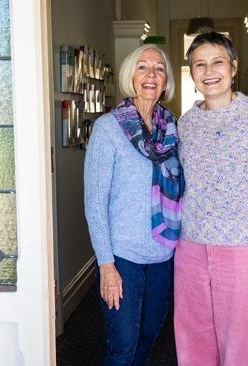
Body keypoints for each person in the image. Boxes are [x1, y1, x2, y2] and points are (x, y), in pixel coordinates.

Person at [84, 44, 184, 366]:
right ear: (131, 75)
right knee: (122, 348)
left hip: (162, 255)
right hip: (122, 258)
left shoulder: (173, 129)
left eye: (158, 68)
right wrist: (106, 265)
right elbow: (95, 203)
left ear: (166, 80)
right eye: (142, 67)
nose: (151, 75)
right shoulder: (108, 128)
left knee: (147, 340)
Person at [174, 32, 248, 366]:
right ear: (192, 73)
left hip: (243, 245)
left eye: (217, 62)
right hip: (191, 246)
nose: (209, 71)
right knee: (193, 342)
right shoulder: (184, 125)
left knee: (240, 346)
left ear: (234, 67)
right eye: (199, 64)